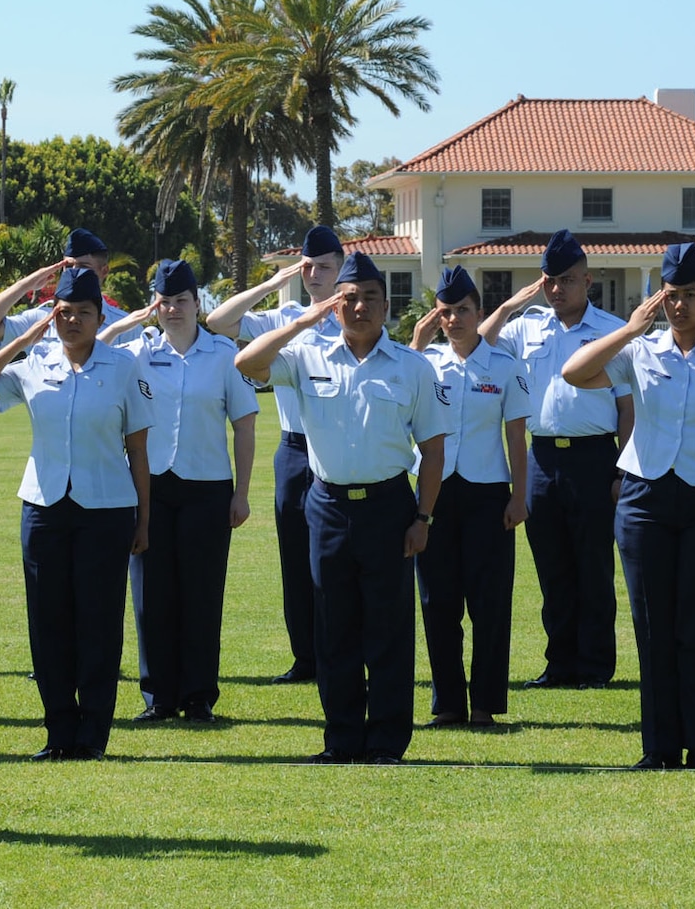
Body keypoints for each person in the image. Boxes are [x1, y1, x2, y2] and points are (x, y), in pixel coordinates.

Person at [561, 242, 695, 771]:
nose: (680, 306)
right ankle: (658, 747)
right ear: (661, 298)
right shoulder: (640, 350)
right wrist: (631, 329)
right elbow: (575, 373)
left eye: (690, 296)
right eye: (672, 296)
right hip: (646, 499)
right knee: (652, 627)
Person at [235, 252, 446, 765]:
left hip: (390, 507)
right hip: (326, 507)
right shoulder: (308, 357)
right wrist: (304, 321)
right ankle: (343, 739)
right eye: (348, 299)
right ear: (335, 306)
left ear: (386, 305)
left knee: (389, 631)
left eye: (369, 298)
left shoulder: (413, 367)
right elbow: (247, 363)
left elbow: (435, 447)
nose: (359, 307)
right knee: (334, 629)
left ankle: (387, 743)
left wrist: (423, 517)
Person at [0, 265, 151, 760]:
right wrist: (21, 340)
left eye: (82, 314)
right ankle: (58, 731)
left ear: (98, 316)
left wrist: (144, 520)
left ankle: (92, 734)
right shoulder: (35, 362)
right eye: (64, 313)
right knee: (48, 623)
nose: (72, 322)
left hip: (107, 509)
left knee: (98, 621)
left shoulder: (123, 367)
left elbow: (139, 449)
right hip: (45, 508)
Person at [478, 228, 633, 690]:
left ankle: (595, 665)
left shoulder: (610, 331)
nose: (557, 289)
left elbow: (627, 408)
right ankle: (559, 663)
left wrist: (623, 469)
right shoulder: (525, 329)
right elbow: (481, 344)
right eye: (549, 281)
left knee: (593, 567)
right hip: (542, 459)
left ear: (588, 280)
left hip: (595, 459)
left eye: (567, 279)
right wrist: (510, 305)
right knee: (552, 567)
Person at [105, 259, 258, 721]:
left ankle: (197, 696)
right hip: (148, 487)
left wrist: (242, 492)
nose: (173, 309)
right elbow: (91, 351)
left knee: (201, 593)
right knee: (151, 594)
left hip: (208, 486)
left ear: (197, 303)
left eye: (181, 301)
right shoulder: (137, 353)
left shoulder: (223, 354)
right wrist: (129, 323)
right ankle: (158, 696)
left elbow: (244, 425)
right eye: (164, 301)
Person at [205, 225, 346, 684]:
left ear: (341, 269)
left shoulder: (356, 318)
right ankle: (305, 658)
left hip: (339, 448)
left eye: (324, 266)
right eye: (307, 266)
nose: (314, 274)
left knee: (338, 559)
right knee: (294, 557)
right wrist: (271, 285)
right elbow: (218, 322)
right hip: (293, 450)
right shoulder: (284, 316)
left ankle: (338, 653)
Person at [407, 266, 528, 726]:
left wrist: (519, 496)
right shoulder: (424, 365)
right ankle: (449, 704)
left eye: (463, 310)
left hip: (488, 493)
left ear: (480, 313)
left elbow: (516, 436)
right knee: (438, 602)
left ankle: (485, 705)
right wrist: (417, 344)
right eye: (445, 312)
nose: (454, 319)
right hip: (433, 494)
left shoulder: (504, 366)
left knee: (490, 603)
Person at [0, 227, 128, 346]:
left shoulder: (124, 324)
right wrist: (25, 285)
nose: (74, 273)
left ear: (104, 271)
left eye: (83, 267)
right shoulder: (41, 318)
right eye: (68, 266)